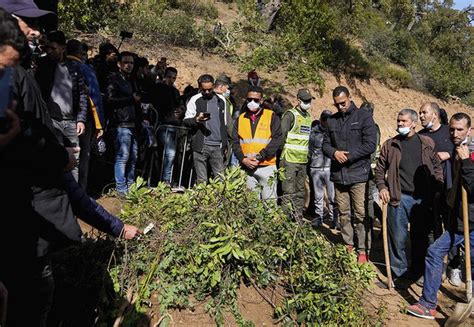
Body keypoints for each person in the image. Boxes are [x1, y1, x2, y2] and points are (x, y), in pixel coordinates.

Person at [407, 112, 474, 320]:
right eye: (452, 129)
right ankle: (428, 304)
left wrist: (467, 163)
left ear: (470, 131)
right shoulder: (458, 150)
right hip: (460, 220)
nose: (454, 133)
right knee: (435, 253)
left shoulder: (470, 154)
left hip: (473, 221)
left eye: (460, 129)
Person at [375, 109, 443, 281]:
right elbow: (380, 168)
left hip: (422, 199)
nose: (400, 124)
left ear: (413, 123)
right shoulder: (390, 145)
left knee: (419, 237)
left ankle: (418, 272)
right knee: (397, 238)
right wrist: (382, 187)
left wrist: (437, 186)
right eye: (398, 121)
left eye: (403, 121)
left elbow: (436, 166)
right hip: (398, 198)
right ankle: (399, 274)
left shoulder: (426, 143)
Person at [322, 86, 377, 263]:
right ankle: (348, 243)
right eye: (337, 104)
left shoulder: (364, 117)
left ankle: (363, 249)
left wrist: (349, 156)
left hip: (359, 174)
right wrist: (333, 153)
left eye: (343, 103)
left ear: (350, 98)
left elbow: (370, 145)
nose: (340, 107)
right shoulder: (332, 120)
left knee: (360, 214)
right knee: (343, 212)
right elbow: (325, 144)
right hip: (339, 175)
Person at [35, 30, 88, 181]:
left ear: (63, 48)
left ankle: (75, 200)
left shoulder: (75, 68)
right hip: (51, 121)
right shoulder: (43, 66)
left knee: (74, 163)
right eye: (48, 48)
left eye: (53, 48)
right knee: (54, 160)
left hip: (71, 122)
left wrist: (81, 119)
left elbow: (83, 95)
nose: (50, 51)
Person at [65, 39, 104, 189]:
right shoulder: (86, 70)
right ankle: (80, 192)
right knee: (83, 156)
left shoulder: (58, 65)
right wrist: (99, 125)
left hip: (58, 118)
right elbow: (94, 98)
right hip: (83, 120)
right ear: (82, 53)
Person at [232, 86, 282, 199]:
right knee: (251, 206)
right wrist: (243, 159)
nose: (252, 102)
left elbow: (277, 140)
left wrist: (260, 157)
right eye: (249, 99)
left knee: (269, 204)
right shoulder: (240, 119)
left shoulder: (271, 116)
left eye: (256, 100)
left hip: (267, 167)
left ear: (262, 100)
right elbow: (235, 142)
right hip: (247, 168)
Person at [183, 74, 232, 183]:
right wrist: (196, 119)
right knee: (201, 180)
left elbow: (224, 124)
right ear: (200, 87)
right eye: (203, 90)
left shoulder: (222, 101)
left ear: (214, 86)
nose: (206, 92)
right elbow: (186, 121)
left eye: (209, 89)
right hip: (201, 145)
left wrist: (225, 143)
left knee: (220, 180)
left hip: (218, 146)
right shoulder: (195, 99)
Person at [106, 51, 141, 196]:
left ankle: (131, 186)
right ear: (119, 64)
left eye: (131, 63)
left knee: (133, 157)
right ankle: (121, 188)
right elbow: (109, 100)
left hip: (132, 124)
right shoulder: (114, 79)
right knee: (123, 157)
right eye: (126, 62)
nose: (129, 65)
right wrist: (131, 100)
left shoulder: (131, 80)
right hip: (120, 124)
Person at [280, 88, 313, 216]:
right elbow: (281, 136)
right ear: (298, 100)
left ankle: (298, 220)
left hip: (302, 161)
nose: (308, 103)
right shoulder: (290, 115)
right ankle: (285, 222)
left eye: (309, 100)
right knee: (288, 192)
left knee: (300, 192)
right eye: (305, 100)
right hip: (289, 160)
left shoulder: (308, 117)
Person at [149, 66, 184, 184]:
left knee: (171, 155)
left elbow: (181, 104)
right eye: (169, 77)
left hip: (174, 126)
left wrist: (181, 110)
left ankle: (166, 179)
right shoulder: (158, 88)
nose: (171, 80)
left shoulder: (175, 91)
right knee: (166, 154)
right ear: (164, 76)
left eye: (174, 78)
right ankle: (163, 180)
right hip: (161, 125)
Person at [308, 110, 337, 228]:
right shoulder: (313, 133)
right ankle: (318, 217)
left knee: (332, 196)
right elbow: (309, 150)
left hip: (330, 168)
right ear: (321, 119)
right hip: (316, 168)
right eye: (324, 119)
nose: (326, 122)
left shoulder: (333, 132)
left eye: (328, 119)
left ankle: (334, 219)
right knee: (318, 195)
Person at [360, 102, 381, 227]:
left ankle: (369, 226)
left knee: (367, 199)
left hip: (368, 169)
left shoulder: (370, 127)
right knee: (368, 198)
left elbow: (370, 150)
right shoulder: (374, 126)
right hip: (371, 168)